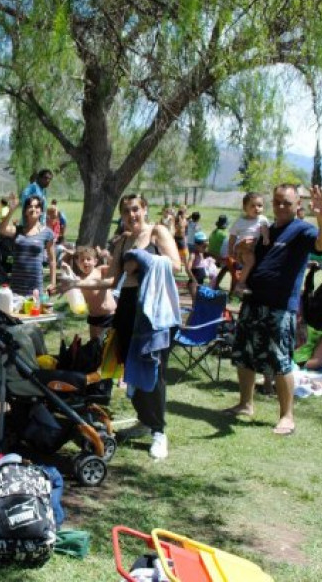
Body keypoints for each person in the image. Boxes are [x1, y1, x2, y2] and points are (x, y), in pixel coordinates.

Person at [225, 184, 322, 435]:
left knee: (281, 361)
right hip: (253, 302)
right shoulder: (267, 230)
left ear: (298, 205)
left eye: (287, 202)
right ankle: (245, 404)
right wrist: (244, 251)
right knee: (245, 354)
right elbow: (251, 261)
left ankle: (287, 416)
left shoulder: (302, 230)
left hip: (279, 307)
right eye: (277, 202)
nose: (281, 206)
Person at [104, 193, 182, 459]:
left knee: (154, 368)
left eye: (135, 209)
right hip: (127, 306)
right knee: (131, 366)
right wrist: (75, 282)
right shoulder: (124, 240)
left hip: (153, 310)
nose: (131, 215)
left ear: (145, 209)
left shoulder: (157, 232)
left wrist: (145, 260)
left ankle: (159, 432)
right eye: (126, 211)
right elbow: (110, 280)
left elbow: (176, 266)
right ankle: (144, 420)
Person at [0, 193, 57, 296]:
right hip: (16, 285)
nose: (33, 209)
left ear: (41, 211)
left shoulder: (47, 233)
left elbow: (52, 260)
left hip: (35, 287)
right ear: (25, 211)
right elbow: (2, 229)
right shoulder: (17, 230)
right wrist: (11, 210)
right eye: (30, 206)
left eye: (37, 206)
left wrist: (53, 283)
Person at [60, 246, 117, 340]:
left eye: (88, 259)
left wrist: (107, 257)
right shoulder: (79, 279)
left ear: (95, 261)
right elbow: (66, 274)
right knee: (95, 344)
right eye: (82, 260)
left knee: (111, 344)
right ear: (78, 263)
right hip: (94, 317)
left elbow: (115, 267)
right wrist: (67, 262)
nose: (85, 262)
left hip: (110, 314)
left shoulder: (100, 271)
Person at [228, 192, 270, 296]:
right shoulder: (240, 221)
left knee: (250, 263)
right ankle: (240, 284)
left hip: (253, 247)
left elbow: (264, 228)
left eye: (260, 205)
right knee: (250, 262)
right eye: (253, 206)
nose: (257, 208)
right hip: (244, 248)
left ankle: (242, 283)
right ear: (245, 208)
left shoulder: (262, 219)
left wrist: (265, 237)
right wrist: (230, 250)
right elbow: (232, 236)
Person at [186, 231, 218, 302]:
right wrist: (194, 280)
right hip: (193, 283)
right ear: (196, 245)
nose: (205, 248)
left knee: (199, 302)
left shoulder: (201, 254)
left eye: (206, 246)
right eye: (204, 246)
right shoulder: (193, 255)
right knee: (195, 302)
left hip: (200, 282)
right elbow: (187, 268)